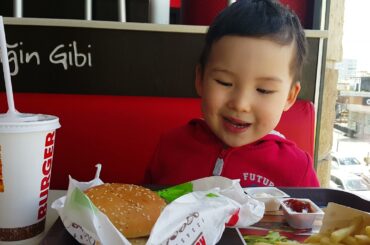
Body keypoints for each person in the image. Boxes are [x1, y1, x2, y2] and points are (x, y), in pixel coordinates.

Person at [146, 0, 320, 187]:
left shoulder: (297, 169)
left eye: (264, 90)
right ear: (200, 79)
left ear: (289, 96)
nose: (240, 104)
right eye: (224, 82)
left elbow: (317, 215)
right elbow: (148, 208)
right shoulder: (171, 147)